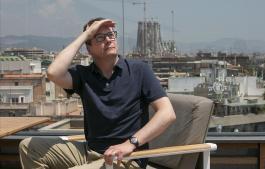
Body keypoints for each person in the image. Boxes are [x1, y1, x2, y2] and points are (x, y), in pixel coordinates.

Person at [19, 17, 176, 169]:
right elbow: (53, 73)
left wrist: (130, 144)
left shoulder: (139, 70)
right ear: (89, 48)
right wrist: (85, 35)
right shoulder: (83, 75)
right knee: (28, 147)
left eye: (111, 34)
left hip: (126, 158)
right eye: (100, 37)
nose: (109, 39)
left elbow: (167, 113)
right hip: (90, 151)